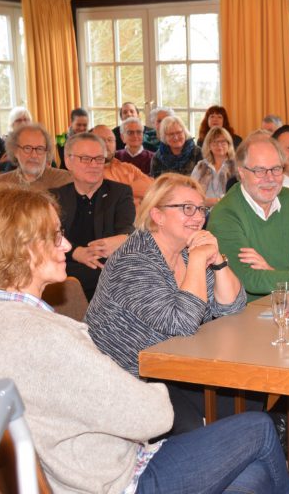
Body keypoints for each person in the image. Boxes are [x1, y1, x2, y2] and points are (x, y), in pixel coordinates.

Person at [0, 183, 289, 494]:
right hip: (114, 481)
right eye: (57, 235)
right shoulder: (43, 335)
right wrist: (152, 392)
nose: (69, 244)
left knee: (256, 473)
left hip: (80, 467)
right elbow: (152, 417)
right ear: (23, 248)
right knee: (257, 430)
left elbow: (229, 306)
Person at [85, 172, 268, 435]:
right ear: (157, 215)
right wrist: (197, 260)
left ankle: (233, 458)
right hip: (128, 377)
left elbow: (232, 307)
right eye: (187, 208)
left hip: (174, 365)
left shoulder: (184, 250)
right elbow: (181, 322)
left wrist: (217, 260)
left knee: (250, 390)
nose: (198, 217)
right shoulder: (134, 261)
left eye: (201, 209)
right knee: (189, 423)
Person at [207, 136, 289, 301]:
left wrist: (271, 270)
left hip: (288, 305)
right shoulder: (225, 214)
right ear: (242, 172)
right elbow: (249, 279)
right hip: (242, 315)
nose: (270, 178)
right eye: (259, 171)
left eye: (276, 169)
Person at [52, 133, 135, 300]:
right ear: (68, 162)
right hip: (66, 268)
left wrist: (124, 238)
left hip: (107, 271)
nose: (94, 165)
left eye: (98, 159)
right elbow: (48, 236)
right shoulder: (55, 197)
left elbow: (127, 227)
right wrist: (76, 252)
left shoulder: (120, 193)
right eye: (85, 158)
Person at [0, 123, 72, 190]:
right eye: (27, 148)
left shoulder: (65, 180)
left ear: (47, 152)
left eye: (40, 149)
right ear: (15, 151)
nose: (34, 155)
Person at [92, 124, 154, 209]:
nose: (106, 144)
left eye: (110, 140)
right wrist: (136, 192)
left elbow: (153, 188)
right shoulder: (87, 171)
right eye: (101, 140)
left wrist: (122, 191)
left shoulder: (128, 168)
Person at [190, 126, 236, 206]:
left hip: (229, 211)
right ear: (209, 146)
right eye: (215, 142)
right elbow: (191, 192)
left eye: (223, 142)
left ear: (229, 144)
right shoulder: (200, 166)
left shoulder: (237, 167)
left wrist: (218, 202)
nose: (219, 145)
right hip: (203, 211)